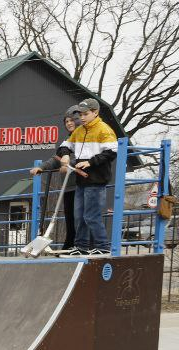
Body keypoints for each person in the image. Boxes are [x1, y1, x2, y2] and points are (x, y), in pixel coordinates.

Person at [64, 97, 117, 256]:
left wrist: (90, 162)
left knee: (91, 216)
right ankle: (81, 246)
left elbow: (112, 152)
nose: (82, 117)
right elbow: (65, 145)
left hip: (96, 180)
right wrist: (65, 154)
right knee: (78, 215)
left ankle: (102, 246)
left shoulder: (104, 129)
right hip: (81, 181)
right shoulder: (79, 131)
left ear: (95, 112)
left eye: (85, 114)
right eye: (80, 114)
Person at [30, 105, 82, 252]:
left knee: (80, 217)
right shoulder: (67, 141)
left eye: (72, 120)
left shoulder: (85, 138)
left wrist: (70, 165)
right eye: (66, 121)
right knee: (69, 218)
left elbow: (85, 158)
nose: (69, 123)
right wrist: (42, 167)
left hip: (81, 185)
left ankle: (81, 244)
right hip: (68, 186)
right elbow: (56, 159)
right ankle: (70, 244)